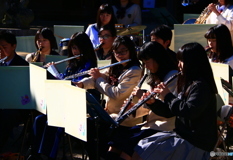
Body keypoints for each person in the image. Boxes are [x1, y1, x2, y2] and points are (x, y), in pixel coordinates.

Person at [130, 42, 218, 160]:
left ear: (192, 63)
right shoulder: (190, 83)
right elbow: (170, 112)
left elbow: (189, 111)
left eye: (181, 61)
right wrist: (153, 103)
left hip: (195, 142)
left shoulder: (201, 86)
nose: (179, 65)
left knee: (142, 154)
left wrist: (167, 95)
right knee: (140, 149)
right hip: (182, 135)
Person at [27, 32, 98, 160]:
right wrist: (54, 72)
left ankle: (48, 156)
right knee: (39, 120)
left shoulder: (89, 65)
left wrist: (58, 76)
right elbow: (63, 80)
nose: (75, 51)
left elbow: (76, 84)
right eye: (73, 48)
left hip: (80, 109)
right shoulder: (72, 64)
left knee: (52, 122)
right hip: (65, 106)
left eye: (78, 48)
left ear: (85, 48)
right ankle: (35, 154)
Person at [74, 36, 143, 159]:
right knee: (87, 126)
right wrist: (82, 84)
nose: (120, 55)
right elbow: (97, 79)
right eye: (117, 52)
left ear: (131, 51)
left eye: (124, 51)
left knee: (96, 134)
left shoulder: (134, 71)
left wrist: (98, 78)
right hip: (110, 115)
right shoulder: (115, 67)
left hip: (125, 119)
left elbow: (116, 94)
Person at [106, 41, 178, 160]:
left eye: (147, 62)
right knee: (116, 142)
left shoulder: (172, 76)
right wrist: (134, 109)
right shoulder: (155, 75)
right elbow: (148, 109)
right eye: (143, 63)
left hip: (164, 127)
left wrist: (144, 96)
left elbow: (168, 109)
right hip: (150, 124)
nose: (146, 67)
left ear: (157, 59)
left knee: (128, 148)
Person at [0, 30, 29, 151]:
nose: (0, 50)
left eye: (4, 47)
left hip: (17, 106)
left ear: (14, 46)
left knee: (5, 116)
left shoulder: (22, 65)